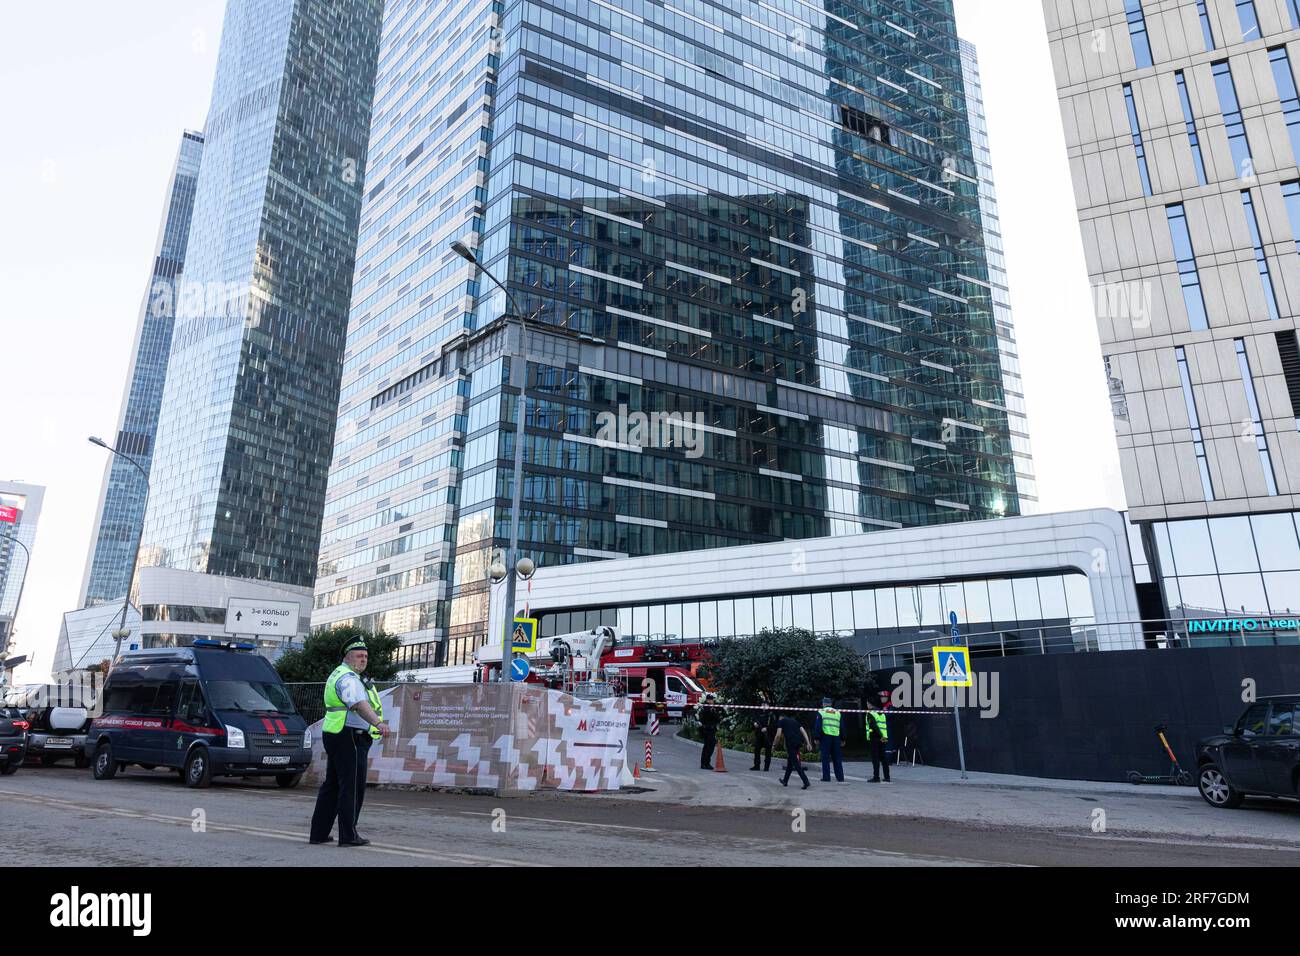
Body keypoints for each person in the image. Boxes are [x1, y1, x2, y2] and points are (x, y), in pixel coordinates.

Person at [309, 638, 391, 847]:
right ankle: (348, 835)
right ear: (347, 657)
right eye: (358, 656)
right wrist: (378, 723)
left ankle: (318, 833)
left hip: (338, 733)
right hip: (349, 735)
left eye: (365, 656)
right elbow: (359, 704)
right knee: (352, 786)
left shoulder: (342, 674)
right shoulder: (348, 678)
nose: (363, 659)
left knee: (333, 785)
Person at [772, 710, 811, 789]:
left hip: (791, 743)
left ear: (780, 717)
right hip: (798, 743)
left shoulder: (781, 721)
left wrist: (774, 745)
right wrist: (808, 743)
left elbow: (778, 735)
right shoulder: (794, 721)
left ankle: (806, 781)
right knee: (790, 762)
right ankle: (785, 781)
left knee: (796, 763)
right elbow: (803, 731)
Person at [815, 697, 844, 782]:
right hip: (836, 738)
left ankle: (826, 778)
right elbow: (842, 727)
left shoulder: (821, 712)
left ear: (824, 704)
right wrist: (843, 739)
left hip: (826, 737)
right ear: (831, 704)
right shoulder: (838, 713)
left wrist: (817, 737)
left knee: (825, 758)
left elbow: (818, 726)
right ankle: (840, 778)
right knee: (837, 758)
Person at [866, 701, 891, 783]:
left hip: (875, 738)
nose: (867, 705)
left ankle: (876, 777)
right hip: (883, 738)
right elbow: (883, 725)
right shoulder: (882, 713)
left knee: (875, 759)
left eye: (868, 704)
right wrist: (883, 736)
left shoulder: (871, 713)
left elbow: (873, 726)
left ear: (871, 704)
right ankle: (887, 777)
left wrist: (879, 735)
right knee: (883, 758)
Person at [750, 700, 776, 771]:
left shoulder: (771, 714)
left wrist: (767, 728)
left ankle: (766, 767)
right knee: (757, 750)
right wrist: (755, 724)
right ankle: (756, 765)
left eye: (765, 705)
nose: (764, 706)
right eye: (763, 704)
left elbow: (774, 725)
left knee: (768, 751)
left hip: (768, 735)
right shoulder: (758, 713)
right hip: (759, 734)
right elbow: (754, 721)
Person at [699, 693, 721, 769]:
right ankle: (706, 763)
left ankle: (704, 763)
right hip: (708, 729)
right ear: (708, 700)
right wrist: (714, 712)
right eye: (711, 700)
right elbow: (714, 718)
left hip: (709, 729)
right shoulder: (707, 708)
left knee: (707, 746)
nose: (713, 701)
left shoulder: (709, 708)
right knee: (710, 746)